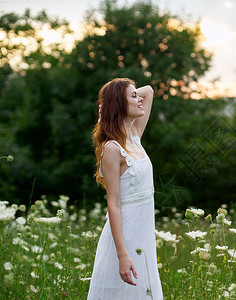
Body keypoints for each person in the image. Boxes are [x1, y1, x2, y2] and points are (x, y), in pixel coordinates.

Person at [87, 78, 163, 299]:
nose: (139, 99)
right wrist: (122, 255)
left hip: (143, 235)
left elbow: (148, 90)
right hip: (124, 239)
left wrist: (118, 97)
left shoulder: (134, 137)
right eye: (132, 97)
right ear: (120, 105)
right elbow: (114, 203)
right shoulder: (112, 148)